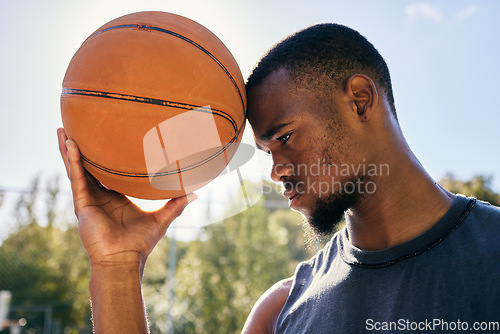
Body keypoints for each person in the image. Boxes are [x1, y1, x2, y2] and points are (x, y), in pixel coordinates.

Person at [57, 23, 500, 334]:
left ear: (361, 100)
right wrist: (116, 268)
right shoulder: (281, 311)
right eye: (267, 150)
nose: (275, 170)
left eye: (285, 137)